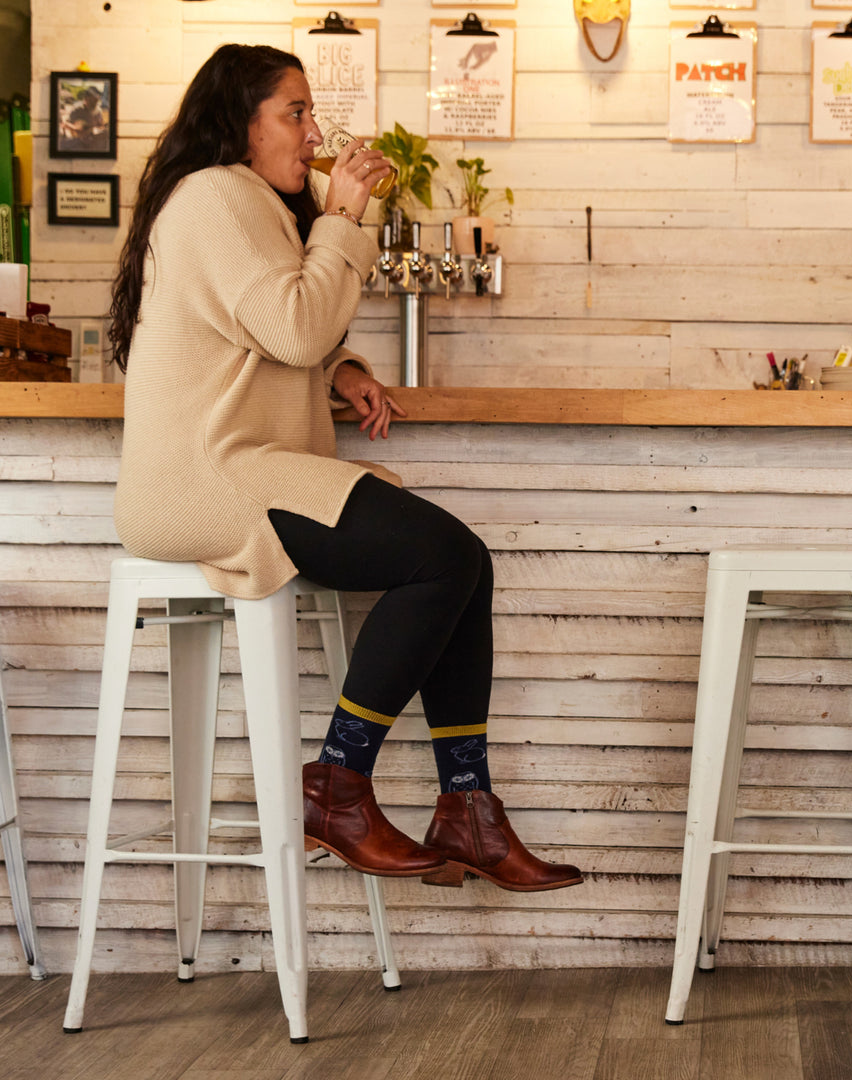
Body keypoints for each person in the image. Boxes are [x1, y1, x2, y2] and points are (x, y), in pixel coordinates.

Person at [109, 43, 581, 893]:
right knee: (443, 557)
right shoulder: (216, 194)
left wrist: (343, 370)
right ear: (238, 123)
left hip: (249, 466)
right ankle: (338, 782)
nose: (315, 130)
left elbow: (268, 331)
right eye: (296, 112)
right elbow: (291, 324)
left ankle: (464, 806)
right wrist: (345, 216)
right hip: (209, 478)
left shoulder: (244, 200)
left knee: (463, 563)